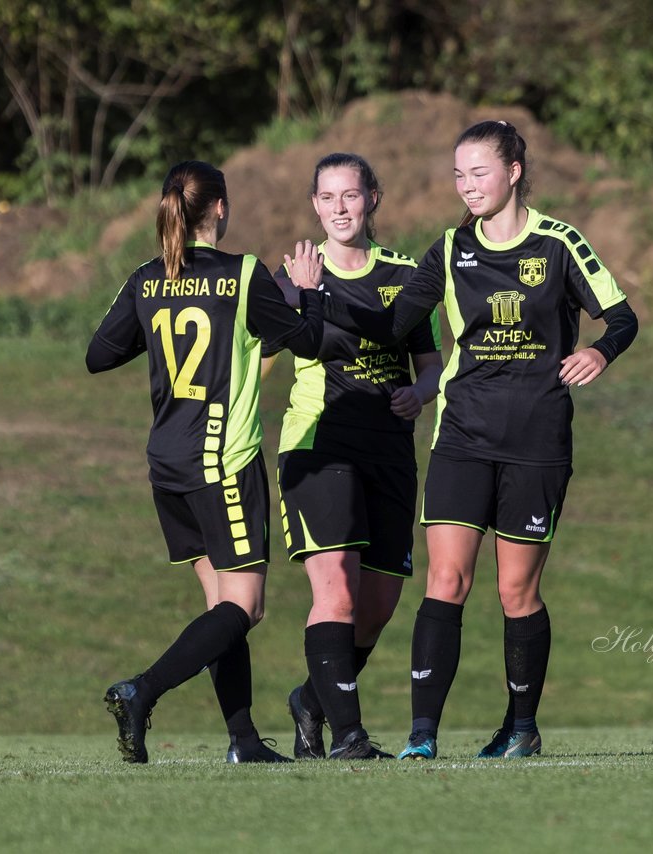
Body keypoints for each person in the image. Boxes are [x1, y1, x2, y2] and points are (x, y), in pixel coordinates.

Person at [289, 121, 639, 760]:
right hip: (461, 436)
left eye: (479, 172)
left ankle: (521, 727)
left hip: (537, 438)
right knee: (444, 582)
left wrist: (600, 350)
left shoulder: (560, 243)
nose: (467, 186)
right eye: (458, 175)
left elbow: (622, 316)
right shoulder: (449, 248)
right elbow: (392, 324)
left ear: (512, 172)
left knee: (516, 592)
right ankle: (422, 738)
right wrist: (321, 297)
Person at [86, 160, 327, 764]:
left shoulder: (146, 277)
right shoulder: (243, 273)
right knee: (245, 607)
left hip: (167, 463)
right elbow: (308, 342)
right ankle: (142, 690)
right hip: (222, 463)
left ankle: (244, 742)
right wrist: (309, 293)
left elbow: (98, 354)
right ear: (219, 207)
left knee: (222, 607)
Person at [274, 153, 443, 760]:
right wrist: (300, 295)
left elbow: (431, 366)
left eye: (351, 194)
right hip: (320, 445)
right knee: (337, 595)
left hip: (390, 451)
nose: (339, 207)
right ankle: (349, 737)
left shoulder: (404, 273)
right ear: (315, 205)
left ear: (374, 197)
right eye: (327, 197)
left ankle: (312, 701)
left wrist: (419, 395)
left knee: (375, 610)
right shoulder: (295, 275)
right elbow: (263, 348)